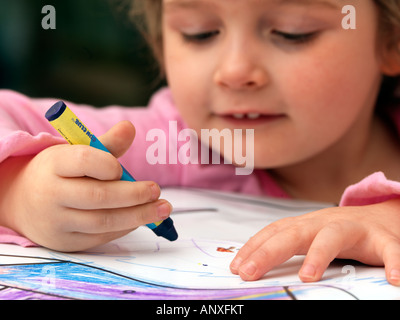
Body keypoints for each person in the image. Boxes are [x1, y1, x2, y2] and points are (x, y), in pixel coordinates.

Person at [1, 0, 400, 286]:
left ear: (391, 41)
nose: (235, 71)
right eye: (200, 33)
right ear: (160, 44)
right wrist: (16, 189)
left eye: (293, 32)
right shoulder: (175, 142)